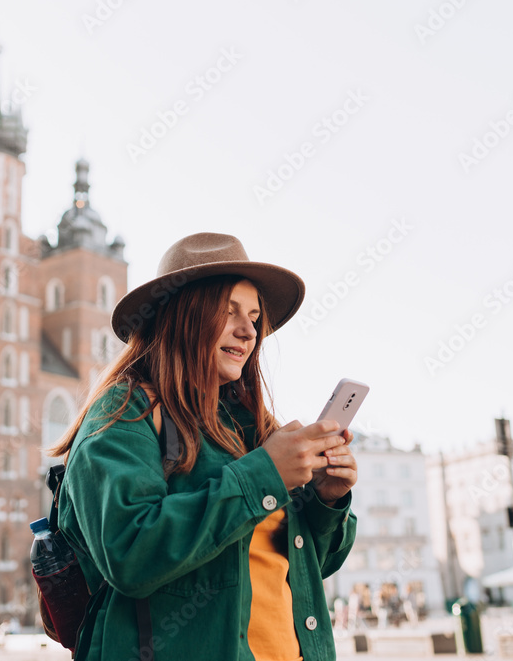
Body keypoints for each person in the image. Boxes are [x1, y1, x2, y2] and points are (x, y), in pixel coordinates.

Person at [49, 232, 359, 661]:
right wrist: (265, 475)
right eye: (228, 311)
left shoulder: (254, 429)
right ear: (181, 314)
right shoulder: (123, 413)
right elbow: (130, 555)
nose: (248, 330)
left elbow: (307, 570)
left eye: (254, 316)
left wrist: (327, 500)